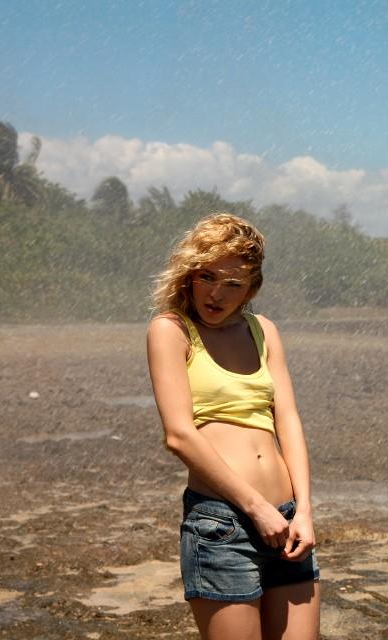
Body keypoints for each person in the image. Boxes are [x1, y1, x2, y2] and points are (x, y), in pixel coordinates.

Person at [146, 212, 320, 639]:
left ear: (251, 288)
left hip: (287, 522)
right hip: (222, 524)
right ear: (188, 273)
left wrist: (305, 510)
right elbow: (179, 435)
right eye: (207, 276)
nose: (217, 293)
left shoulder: (264, 331)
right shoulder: (171, 330)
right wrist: (256, 508)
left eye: (233, 284)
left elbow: (288, 419)